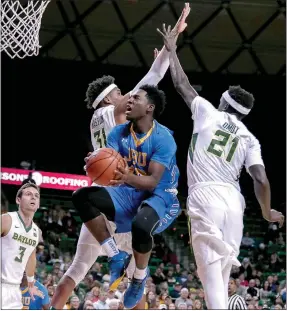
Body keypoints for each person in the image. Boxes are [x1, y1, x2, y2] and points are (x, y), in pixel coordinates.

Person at [49, 3, 190, 310]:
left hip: (103, 200)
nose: (126, 96)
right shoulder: (111, 111)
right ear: (111, 98)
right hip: (122, 200)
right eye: (120, 93)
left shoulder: (96, 122)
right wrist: (171, 44)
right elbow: (151, 80)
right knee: (136, 281)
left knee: (76, 270)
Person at [157, 24, 285, 309]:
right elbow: (261, 180)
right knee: (223, 272)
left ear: (223, 102)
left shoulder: (208, 113)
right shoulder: (251, 139)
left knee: (209, 274)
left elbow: (180, 84)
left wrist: (172, 50)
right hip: (234, 202)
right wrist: (266, 212)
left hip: (206, 195)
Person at [73, 84, 180, 309]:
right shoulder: (118, 133)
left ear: (149, 107)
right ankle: (115, 256)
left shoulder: (164, 138)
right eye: (129, 99)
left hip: (160, 194)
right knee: (82, 196)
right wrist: (94, 163)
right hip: (129, 190)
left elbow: (152, 181)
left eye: (136, 99)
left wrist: (124, 177)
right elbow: (110, 165)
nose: (129, 101)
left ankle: (138, 279)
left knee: (140, 225)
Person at [1, 182, 42, 309]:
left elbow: (31, 257)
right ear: (18, 200)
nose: (33, 197)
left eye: (36, 195)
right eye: (28, 194)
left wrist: (30, 283)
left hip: (14, 289)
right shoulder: (6, 219)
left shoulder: (36, 231)